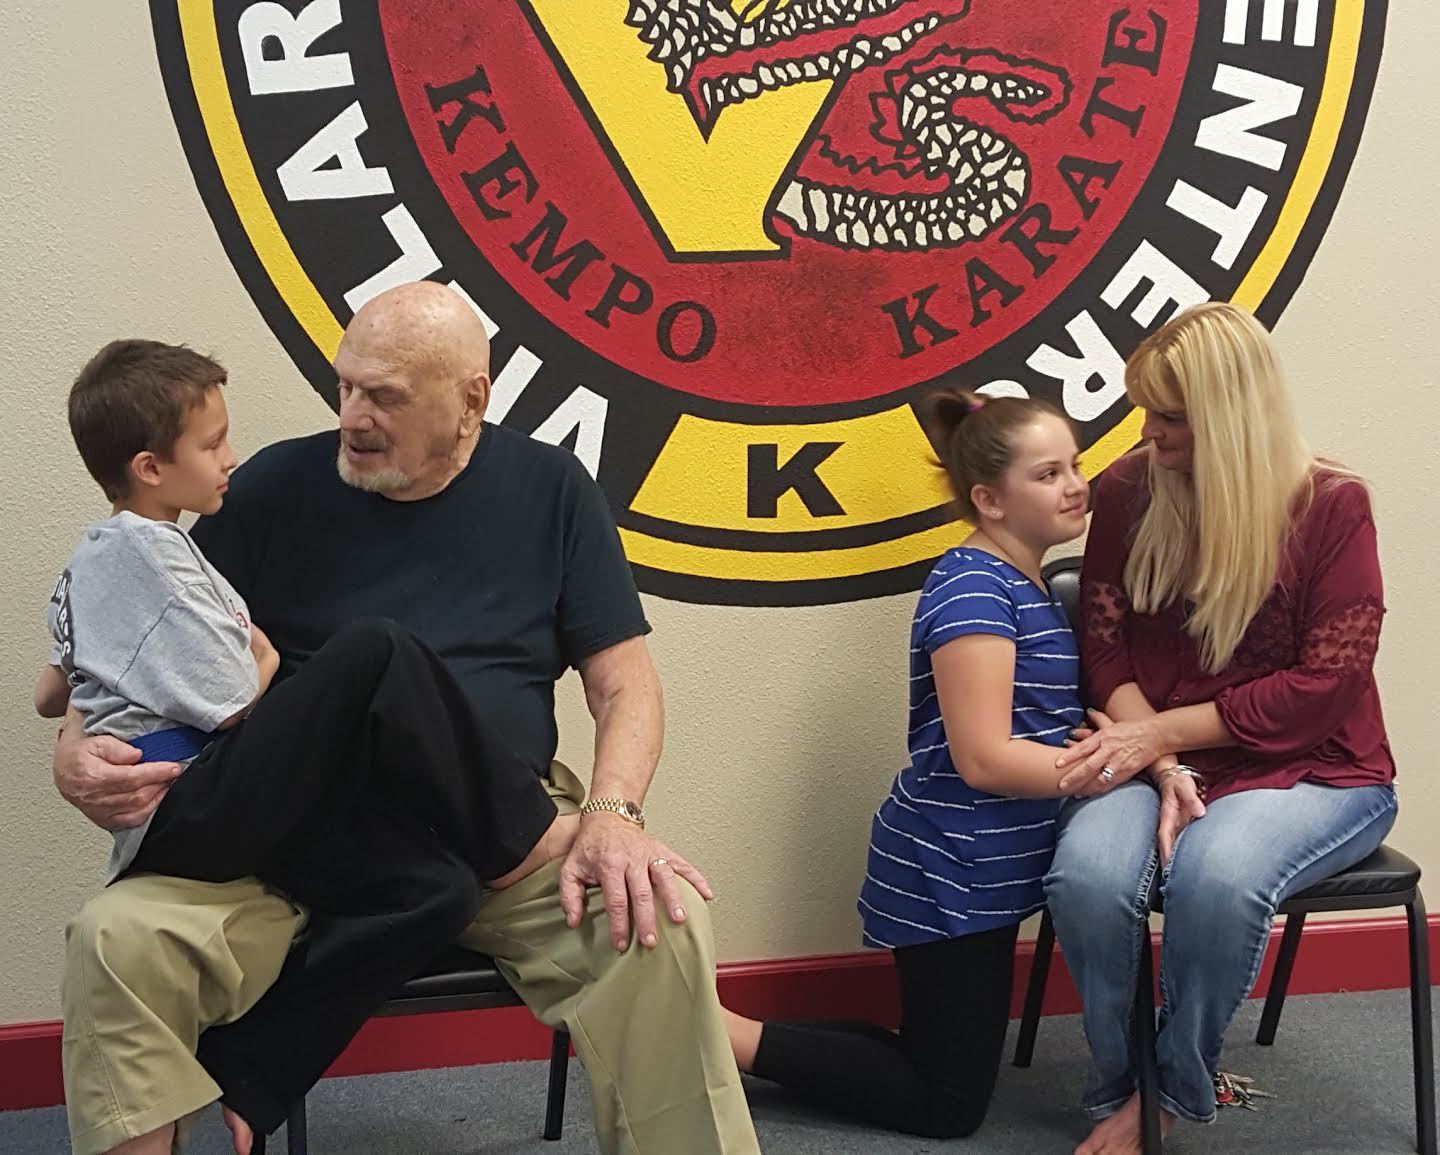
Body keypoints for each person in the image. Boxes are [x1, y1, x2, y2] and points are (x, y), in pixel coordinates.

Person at [51, 282, 760, 1155]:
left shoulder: (551, 489)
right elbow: (140, 641)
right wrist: (74, 748)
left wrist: (613, 814)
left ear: (471, 399)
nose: (353, 415)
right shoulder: (269, 487)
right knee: (115, 938)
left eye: (383, 395)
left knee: (657, 923)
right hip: (303, 831)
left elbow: (626, 686)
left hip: (501, 831)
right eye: (345, 385)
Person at [35, 338, 585, 1151]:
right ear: (152, 468)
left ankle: (254, 1070)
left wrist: (98, 700)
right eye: (214, 444)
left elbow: (51, 690)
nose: (232, 457)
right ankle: (525, 837)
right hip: (190, 801)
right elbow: (227, 701)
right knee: (376, 651)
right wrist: (260, 659)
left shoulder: (120, 557)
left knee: (434, 891)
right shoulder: (136, 550)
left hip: (220, 798)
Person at [1046, 301, 1398, 1154]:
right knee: (1088, 877)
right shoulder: (1132, 489)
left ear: (1230, 419)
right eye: (1146, 410)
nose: (1147, 432)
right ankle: (1119, 1083)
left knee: (1216, 879)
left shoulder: (1333, 506)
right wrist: (1158, 756)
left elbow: (1324, 685)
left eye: (1170, 417)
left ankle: (1169, 1091)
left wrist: (1158, 737)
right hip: (1161, 753)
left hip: (1319, 765)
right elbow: (1106, 653)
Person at [723, 387, 1109, 1137]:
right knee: (945, 1104)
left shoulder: (1020, 582)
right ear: (989, 500)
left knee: (932, 1057)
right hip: (950, 868)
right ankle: (715, 1038)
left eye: (1076, 464)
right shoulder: (974, 586)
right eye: (1048, 473)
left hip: (987, 869)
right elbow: (984, 759)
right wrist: (1113, 766)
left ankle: (727, 1030)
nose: (1075, 484)